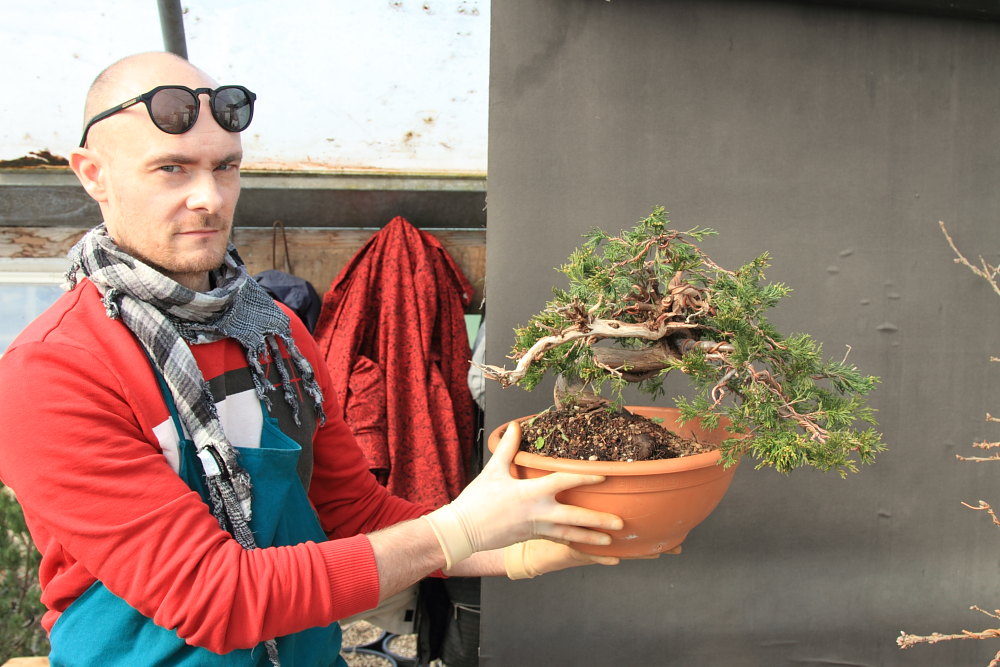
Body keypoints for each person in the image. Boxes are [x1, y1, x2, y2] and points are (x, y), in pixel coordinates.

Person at [0, 52, 625, 665]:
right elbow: (213, 596)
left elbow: (353, 512)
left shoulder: (274, 336)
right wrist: (459, 529)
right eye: (171, 169)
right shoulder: (54, 371)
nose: (210, 198)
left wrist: (518, 545)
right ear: (93, 174)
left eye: (226, 167)